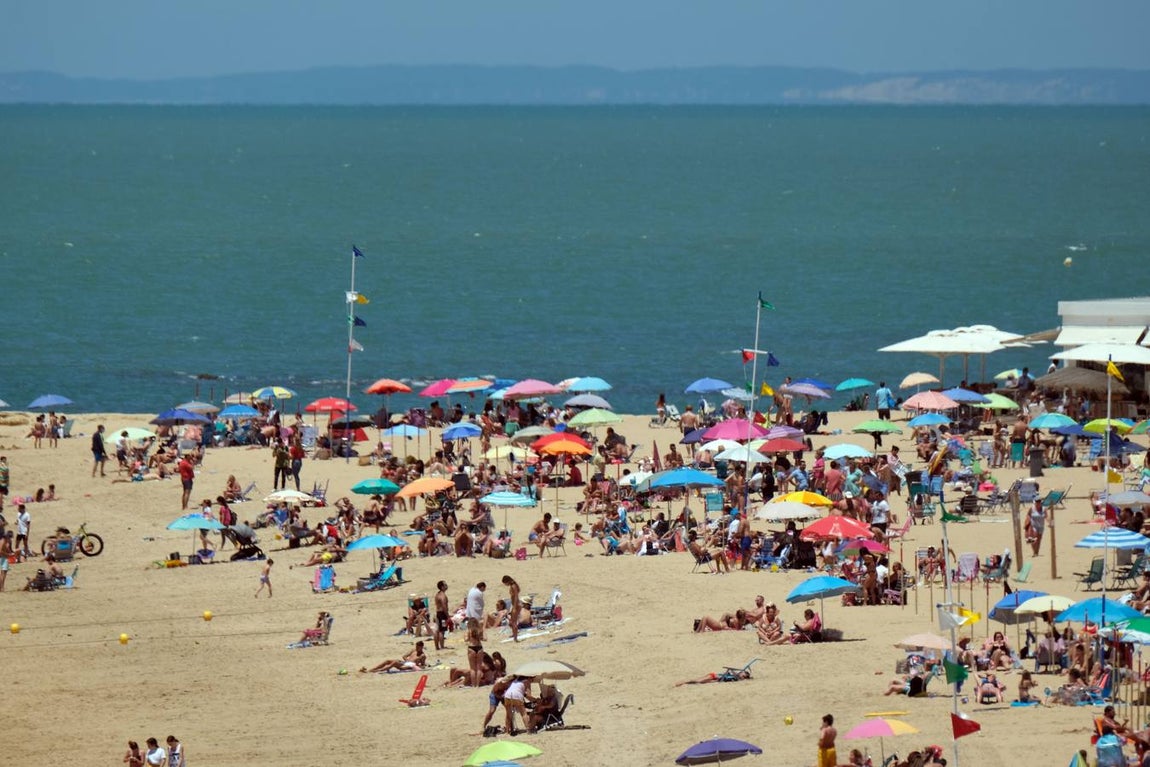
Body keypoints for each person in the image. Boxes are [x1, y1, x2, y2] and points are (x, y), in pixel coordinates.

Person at [360, 640, 427, 673]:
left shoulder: (422, 655)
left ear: (422, 647)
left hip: (409, 666)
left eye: (418, 647)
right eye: (416, 647)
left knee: (394, 662)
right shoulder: (413, 650)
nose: (417, 648)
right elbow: (404, 656)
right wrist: (406, 660)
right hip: (405, 662)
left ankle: (377, 671)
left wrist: (416, 664)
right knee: (388, 661)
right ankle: (371, 669)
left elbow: (423, 665)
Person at [466, 581, 487, 687]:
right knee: (479, 667)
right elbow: (484, 638)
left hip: (471, 647)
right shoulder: (479, 629)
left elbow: (466, 639)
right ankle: (478, 685)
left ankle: (473, 685)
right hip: (479, 647)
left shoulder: (469, 630)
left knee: (472, 668)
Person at [502, 574, 522, 642]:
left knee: (513, 622)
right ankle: (514, 634)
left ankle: (515, 638)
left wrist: (514, 607)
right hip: (515, 605)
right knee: (511, 622)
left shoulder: (513, 586)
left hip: (516, 605)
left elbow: (516, 597)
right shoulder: (513, 585)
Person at [433, 579, 449, 652]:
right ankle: (442, 646)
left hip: (438, 613)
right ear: (442, 587)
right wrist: (447, 616)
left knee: (437, 630)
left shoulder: (437, 594)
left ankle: (437, 647)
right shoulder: (443, 595)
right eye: (445, 585)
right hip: (442, 614)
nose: (447, 586)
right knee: (442, 631)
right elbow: (444, 606)